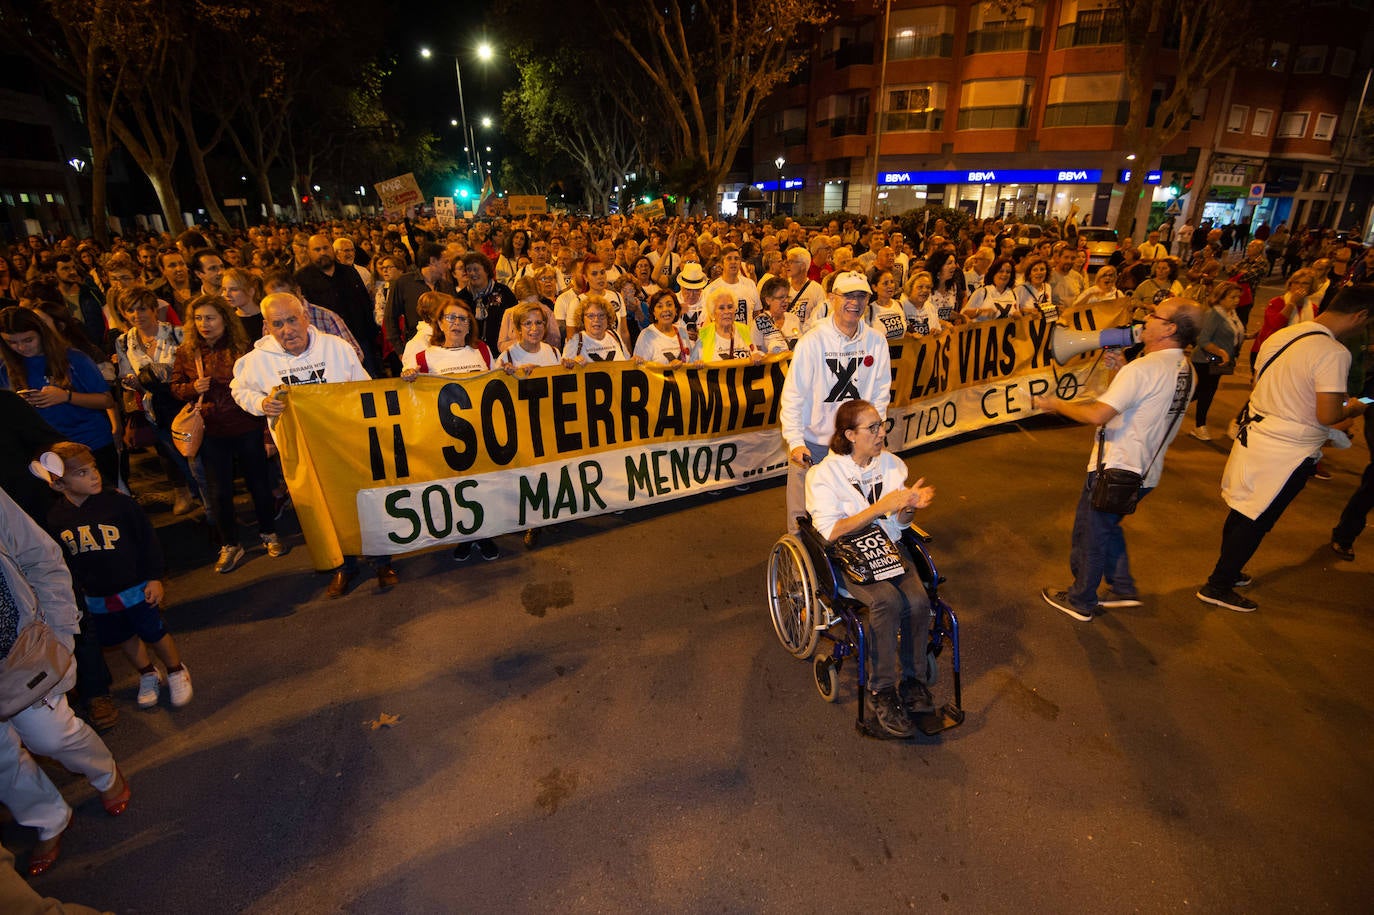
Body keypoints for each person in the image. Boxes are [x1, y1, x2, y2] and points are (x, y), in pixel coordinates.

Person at [1197, 286, 1372, 612]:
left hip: (1256, 434)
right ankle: (1218, 584)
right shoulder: (1332, 352)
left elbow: (1260, 381)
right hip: (1288, 449)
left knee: (1242, 509)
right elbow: (1329, 415)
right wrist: (1355, 407)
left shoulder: (1284, 336)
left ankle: (1228, 573)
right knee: (1257, 519)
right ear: (1360, 315)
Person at [1034, 298, 1202, 620]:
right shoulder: (1186, 369)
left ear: (1170, 328)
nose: (1146, 318)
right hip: (1146, 472)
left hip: (1115, 468)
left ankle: (1081, 600)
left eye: (1155, 314)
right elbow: (1146, 405)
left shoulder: (1144, 369)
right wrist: (1122, 370)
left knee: (1090, 535)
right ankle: (1122, 587)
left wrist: (1056, 404)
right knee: (1107, 526)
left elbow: (1099, 414)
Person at [0, 485, 129, 878]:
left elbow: (39, 553)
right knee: (1, 763)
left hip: (20, 652)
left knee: (51, 736)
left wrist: (60, 628)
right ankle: (48, 819)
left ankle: (106, 773)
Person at [230, 293, 394, 598]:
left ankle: (381, 560)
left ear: (305, 316)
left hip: (346, 445)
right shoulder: (256, 361)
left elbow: (364, 389)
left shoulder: (336, 348)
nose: (287, 329)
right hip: (300, 454)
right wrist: (260, 402)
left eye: (292, 320)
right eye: (277, 324)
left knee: (364, 503)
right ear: (267, 326)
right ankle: (341, 567)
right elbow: (238, 389)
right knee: (323, 512)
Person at [805, 399, 936, 738]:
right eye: (873, 428)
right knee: (886, 602)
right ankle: (883, 691)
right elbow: (830, 532)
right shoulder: (824, 476)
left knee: (920, 600)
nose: (881, 433)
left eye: (882, 425)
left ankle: (912, 681)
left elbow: (901, 525)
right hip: (848, 553)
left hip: (888, 548)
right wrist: (880, 507)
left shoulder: (892, 465)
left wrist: (909, 508)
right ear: (849, 434)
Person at [171, 294, 281, 573]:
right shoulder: (186, 352)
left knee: (259, 485)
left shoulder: (243, 348)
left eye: (210, 317)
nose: (203, 324)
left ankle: (269, 533)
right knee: (218, 493)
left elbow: (262, 388)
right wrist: (191, 388)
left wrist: (268, 435)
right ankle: (230, 544)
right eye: (198, 318)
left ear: (224, 319)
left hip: (247, 426)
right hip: (211, 432)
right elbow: (175, 387)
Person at [779, 271, 892, 534]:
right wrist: (795, 442)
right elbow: (794, 395)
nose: (855, 302)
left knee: (853, 511)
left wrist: (874, 431)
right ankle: (797, 568)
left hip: (855, 443)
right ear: (832, 299)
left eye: (861, 296)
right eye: (848, 295)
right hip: (814, 444)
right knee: (801, 519)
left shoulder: (876, 342)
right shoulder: (812, 342)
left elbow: (880, 393)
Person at [0, 306, 118, 488]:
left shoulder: (74, 358)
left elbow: (106, 400)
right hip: (45, 452)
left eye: (28, 340)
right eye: (12, 343)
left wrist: (66, 396)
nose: (21, 347)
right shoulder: (5, 369)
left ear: (41, 333)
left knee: (105, 504)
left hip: (90, 443)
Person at [1188, 282, 1246, 441]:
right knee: (1199, 392)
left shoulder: (1230, 314)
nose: (1236, 300)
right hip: (1204, 360)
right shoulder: (1214, 314)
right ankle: (1198, 425)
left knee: (1204, 392)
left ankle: (1197, 425)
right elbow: (1203, 340)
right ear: (1220, 297)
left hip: (1218, 362)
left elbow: (1229, 336)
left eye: (1238, 297)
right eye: (1232, 297)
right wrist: (1221, 352)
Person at [694, 288, 764, 364]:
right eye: (721, 308)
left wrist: (758, 355)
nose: (727, 312)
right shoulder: (704, 335)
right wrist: (697, 364)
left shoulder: (745, 329)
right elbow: (691, 363)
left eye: (730, 307)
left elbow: (755, 353)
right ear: (713, 313)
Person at [633, 291, 694, 366]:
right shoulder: (646, 335)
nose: (665, 309)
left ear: (676, 309)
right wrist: (668, 368)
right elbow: (640, 368)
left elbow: (691, 362)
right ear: (653, 312)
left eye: (669, 305)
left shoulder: (682, 331)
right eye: (660, 306)